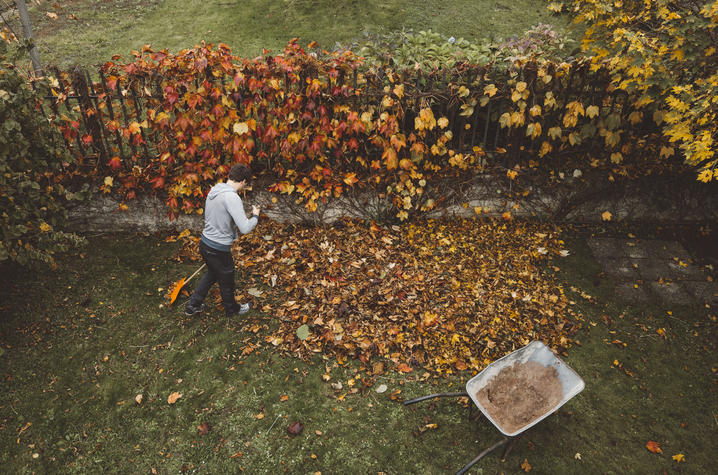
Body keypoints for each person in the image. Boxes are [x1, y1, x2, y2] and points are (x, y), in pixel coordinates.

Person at [185, 163, 260, 317]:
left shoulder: (215, 190)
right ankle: (232, 309)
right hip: (218, 248)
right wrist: (256, 216)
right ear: (243, 182)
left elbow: (222, 216)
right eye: (245, 184)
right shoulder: (232, 197)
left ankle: (193, 305)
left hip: (205, 243)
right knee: (227, 280)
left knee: (212, 273)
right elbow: (245, 228)